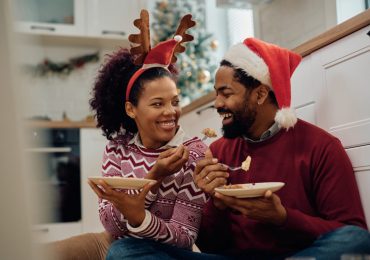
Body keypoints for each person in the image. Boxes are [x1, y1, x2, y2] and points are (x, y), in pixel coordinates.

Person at [192, 37, 370, 259]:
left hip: (298, 255)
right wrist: (215, 204)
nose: (217, 104)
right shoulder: (218, 153)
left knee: (356, 240)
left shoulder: (320, 147)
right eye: (216, 94)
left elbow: (353, 233)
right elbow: (210, 247)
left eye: (226, 94)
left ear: (260, 94)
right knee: (137, 249)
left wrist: (283, 217)